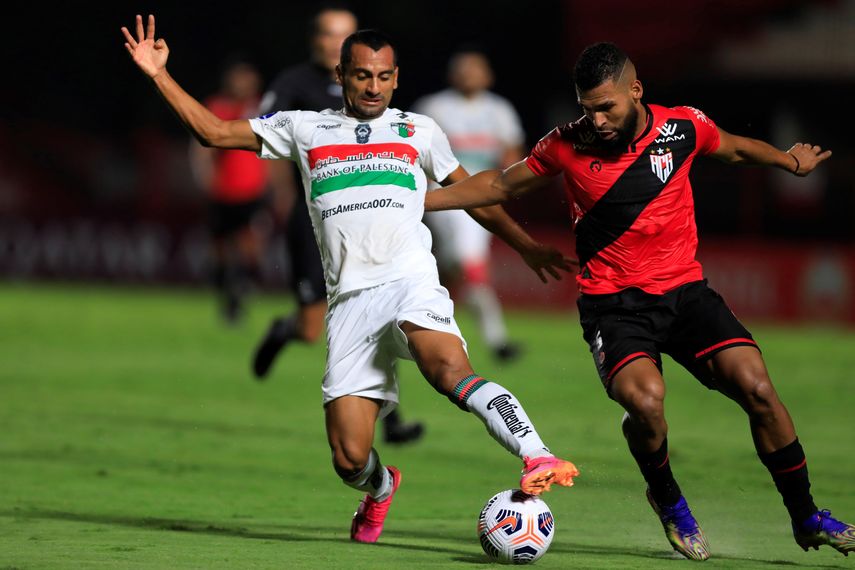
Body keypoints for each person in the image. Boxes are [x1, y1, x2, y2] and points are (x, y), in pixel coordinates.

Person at [121, 15, 580, 544]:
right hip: (350, 305)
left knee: (448, 367)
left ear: (396, 77)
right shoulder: (304, 127)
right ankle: (381, 488)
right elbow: (213, 132)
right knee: (348, 458)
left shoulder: (419, 130)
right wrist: (159, 75)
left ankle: (537, 454)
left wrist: (524, 246)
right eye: (362, 75)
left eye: (383, 76)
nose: (373, 86)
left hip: (410, 282)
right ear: (340, 76)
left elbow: (477, 191)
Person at [425, 42, 853, 560]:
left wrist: (789, 161)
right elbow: (497, 184)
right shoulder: (566, 144)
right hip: (613, 306)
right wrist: (421, 199)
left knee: (758, 387)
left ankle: (806, 517)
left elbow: (736, 148)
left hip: (686, 293)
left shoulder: (683, 128)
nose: (597, 119)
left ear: (636, 90)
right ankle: (670, 502)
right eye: (587, 107)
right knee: (645, 402)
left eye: (606, 107)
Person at [249, 6, 423, 444]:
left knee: (387, 306)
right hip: (315, 221)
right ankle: (283, 329)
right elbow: (261, 137)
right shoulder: (293, 85)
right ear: (315, 40)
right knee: (311, 328)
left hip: (370, 221)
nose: (333, 43)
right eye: (328, 34)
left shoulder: (370, 84)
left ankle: (391, 417)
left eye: (342, 35)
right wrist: (281, 197)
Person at [413, 47, 525, 362]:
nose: (468, 75)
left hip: (483, 193)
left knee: (450, 269)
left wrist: (508, 183)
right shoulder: (434, 106)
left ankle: (431, 322)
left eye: (475, 69)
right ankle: (497, 340)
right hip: (445, 195)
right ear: (451, 74)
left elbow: (512, 150)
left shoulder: (499, 110)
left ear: (487, 75)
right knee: (469, 262)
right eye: (462, 69)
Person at [190, 56, 270, 324]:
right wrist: (205, 179)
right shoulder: (217, 107)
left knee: (251, 247)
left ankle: (243, 289)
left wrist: (280, 187)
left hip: (253, 192)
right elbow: (201, 149)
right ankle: (228, 295)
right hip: (223, 193)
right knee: (221, 249)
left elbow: (278, 152)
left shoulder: (262, 108)